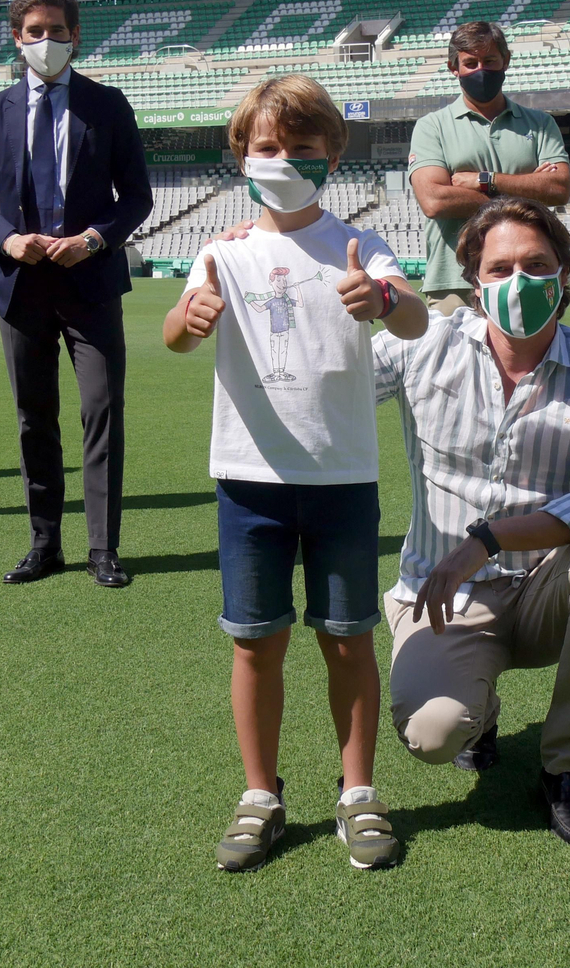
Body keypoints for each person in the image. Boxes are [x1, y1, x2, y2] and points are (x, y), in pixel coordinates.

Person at [164, 75, 428, 872]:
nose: (283, 159)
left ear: (332, 157)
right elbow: (177, 332)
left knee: (348, 641)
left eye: (302, 147)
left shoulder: (359, 245)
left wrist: (380, 296)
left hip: (342, 477)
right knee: (256, 644)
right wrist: (188, 318)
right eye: (268, 146)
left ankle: (359, 791)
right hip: (249, 479)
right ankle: (259, 794)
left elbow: (414, 315)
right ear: (242, 156)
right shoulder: (223, 251)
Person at [373, 196, 570, 845]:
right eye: (500, 268)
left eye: (537, 265)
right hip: (445, 595)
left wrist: (491, 538)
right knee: (433, 734)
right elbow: (328, 388)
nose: (519, 281)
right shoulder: (425, 345)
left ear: (563, 274)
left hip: (545, 589)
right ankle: (481, 710)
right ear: (475, 282)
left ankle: (569, 769)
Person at [0, 0, 153, 586]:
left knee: (102, 411)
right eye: (35, 32)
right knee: (34, 419)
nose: (47, 41)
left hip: (91, 285)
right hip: (22, 288)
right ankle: (44, 544)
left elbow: (136, 197)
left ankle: (103, 548)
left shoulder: (108, 104)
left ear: (75, 36)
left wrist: (93, 240)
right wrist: (7, 240)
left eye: (57, 31)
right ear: (17, 39)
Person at [408, 21, 570, 314]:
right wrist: (527, 193)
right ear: (454, 67)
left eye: (490, 60)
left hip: (526, 276)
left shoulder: (540, 123)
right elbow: (434, 201)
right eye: (470, 63)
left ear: (505, 61)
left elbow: (559, 188)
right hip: (454, 279)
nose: (480, 70)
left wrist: (485, 180)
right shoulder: (432, 126)